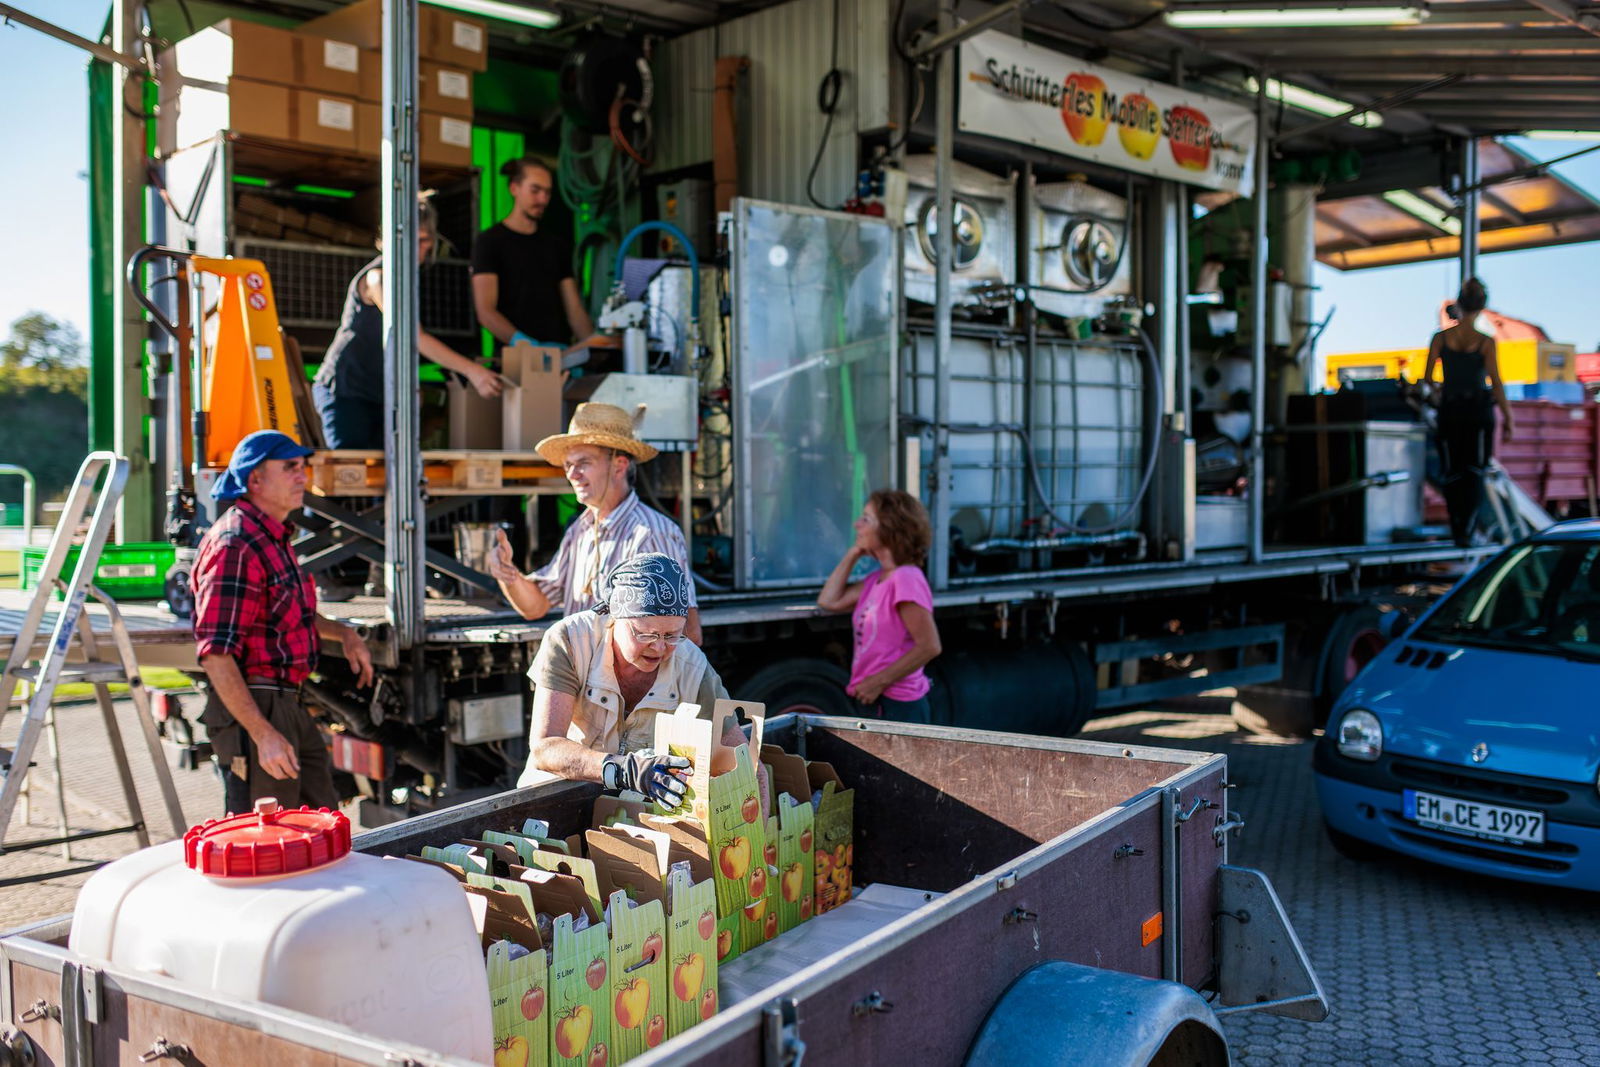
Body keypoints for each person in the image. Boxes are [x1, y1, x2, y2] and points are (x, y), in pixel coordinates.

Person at [192, 430, 375, 815]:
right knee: (268, 839)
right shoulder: (235, 544)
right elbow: (216, 655)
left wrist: (343, 633)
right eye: (289, 467)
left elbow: (293, 612)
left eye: (302, 466)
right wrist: (263, 735)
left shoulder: (270, 536)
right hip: (257, 708)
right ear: (255, 480)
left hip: (286, 703)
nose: (302, 476)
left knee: (321, 828)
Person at [486, 402, 703, 644]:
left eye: (583, 463)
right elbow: (536, 606)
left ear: (619, 466)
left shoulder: (652, 533)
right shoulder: (580, 530)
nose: (572, 474)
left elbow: (687, 635)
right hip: (585, 669)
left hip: (619, 672)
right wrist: (508, 574)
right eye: (568, 465)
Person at [516, 554, 721, 803]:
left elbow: (737, 751)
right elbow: (545, 747)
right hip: (554, 797)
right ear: (614, 617)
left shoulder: (692, 665)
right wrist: (624, 770)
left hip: (629, 806)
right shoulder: (570, 640)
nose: (659, 647)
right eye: (645, 635)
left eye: (671, 635)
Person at [313, 196, 502, 449]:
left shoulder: (408, 282)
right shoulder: (377, 278)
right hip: (346, 392)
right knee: (353, 468)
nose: (421, 248)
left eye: (426, 240)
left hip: (380, 394)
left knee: (387, 468)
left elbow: (401, 345)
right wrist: (473, 371)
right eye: (415, 240)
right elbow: (411, 334)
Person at [816, 490, 942, 722]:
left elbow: (930, 646)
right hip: (874, 699)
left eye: (866, 519)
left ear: (889, 527)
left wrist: (877, 682)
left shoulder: (906, 578)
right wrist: (853, 553)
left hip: (900, 705)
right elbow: (828, 601)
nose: (856, 524)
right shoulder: (876, 579)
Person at [1423, 277, 1515, 548]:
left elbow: (1427, 378)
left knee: (1452, 469)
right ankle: (1469, 528)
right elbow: (1495, 382)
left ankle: (1457, 528)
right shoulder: (1485, 341)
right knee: (1475, 470)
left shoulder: (1440, 338)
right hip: (1478, 411)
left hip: (1451, 410)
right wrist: (1509, 418)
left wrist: (1439, 394)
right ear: (1482, 307)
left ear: (1459, 304)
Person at [471, 158, 594, 348]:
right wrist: (524, 343)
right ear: (514, 188)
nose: (543, 199)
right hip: (514, 357)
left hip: (558, 354)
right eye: (535, 191)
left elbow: (575, 310)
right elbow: (486, 312)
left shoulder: (557, 245)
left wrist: (593, 346)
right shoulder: (489, 242)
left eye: (547, 192)